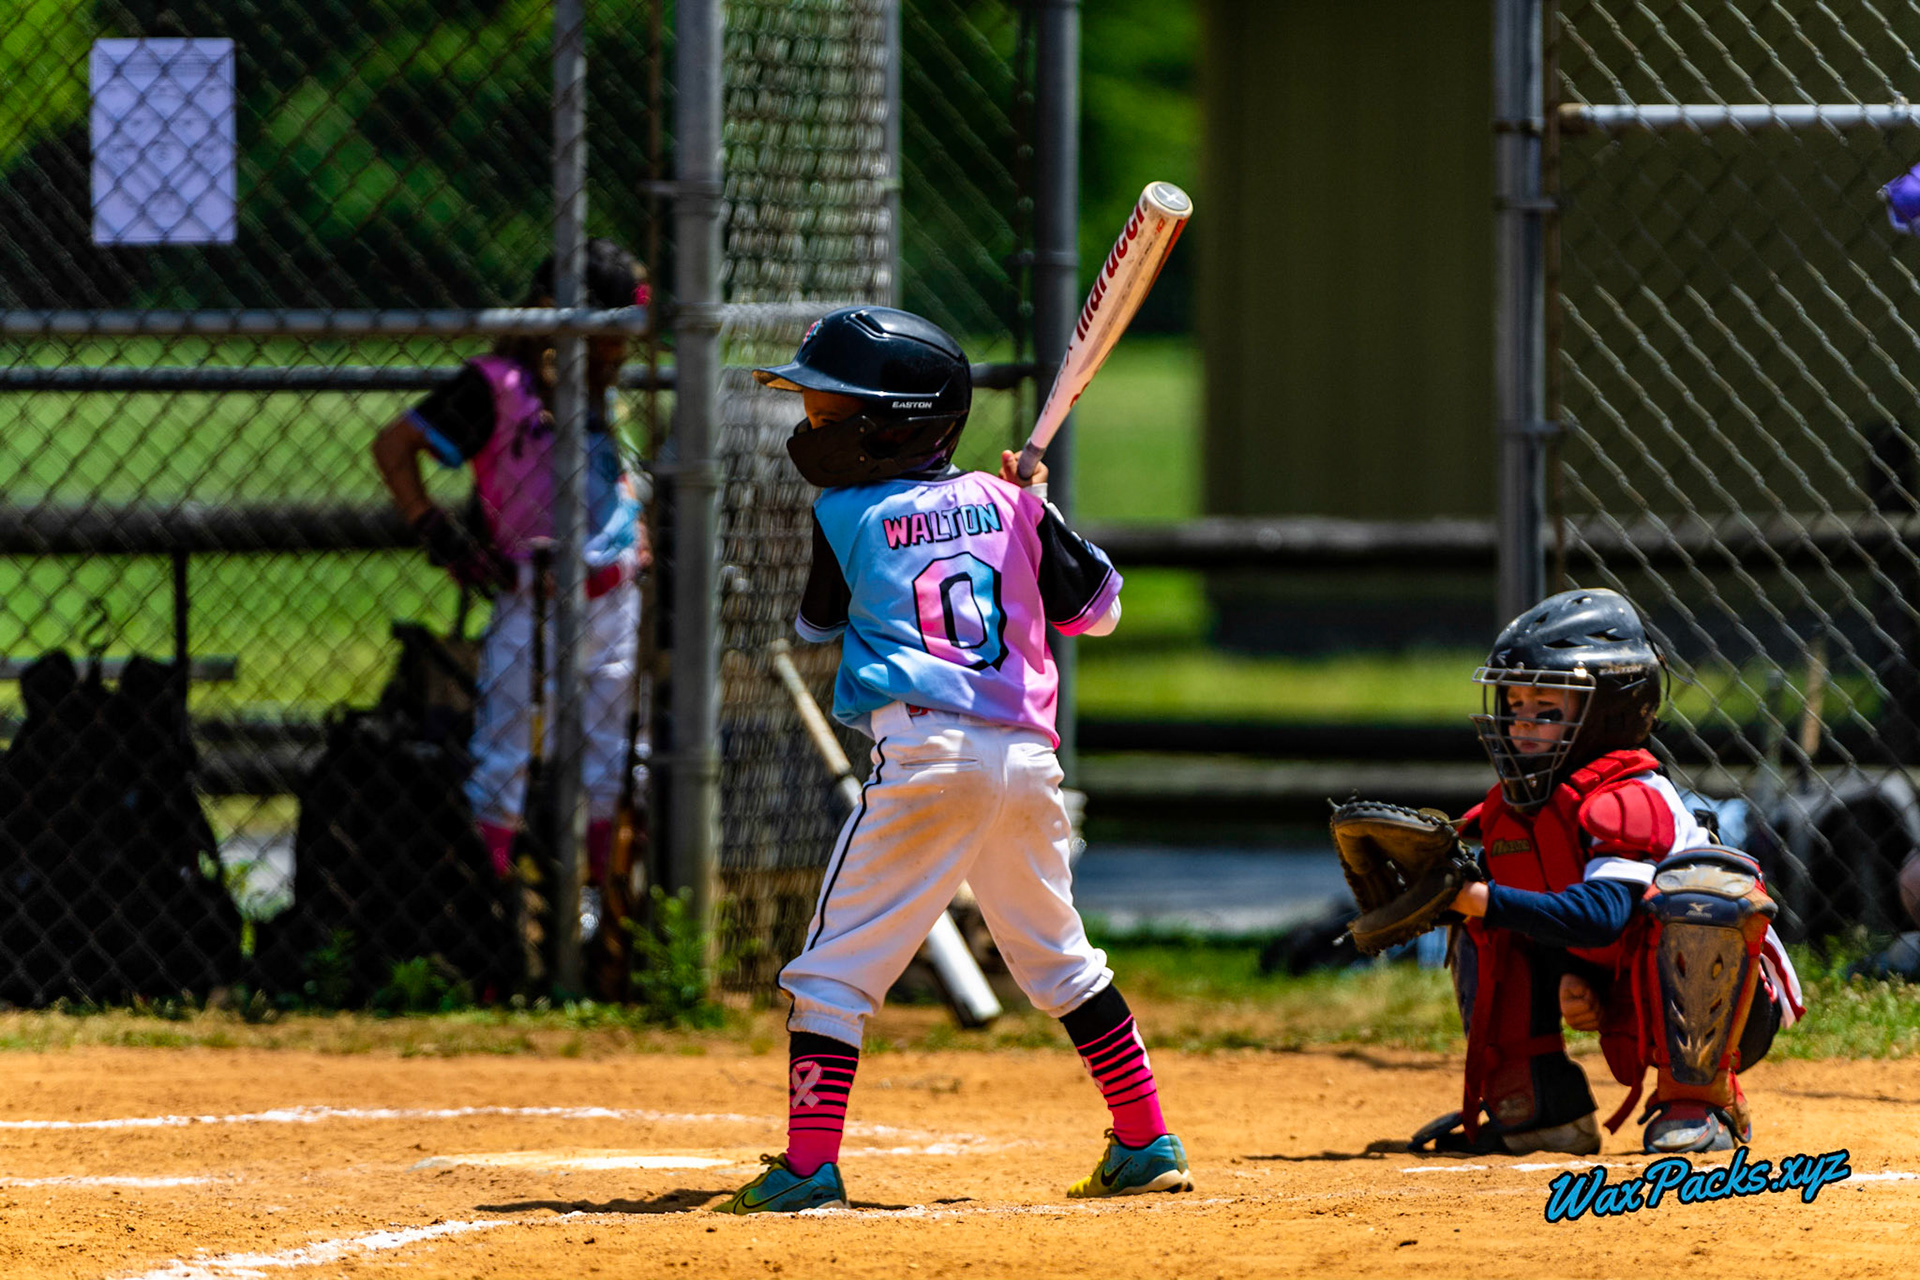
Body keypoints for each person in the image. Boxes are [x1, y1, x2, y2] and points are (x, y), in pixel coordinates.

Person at [715, 305, 1192, 1213]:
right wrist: (1028, 512)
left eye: (830, 414)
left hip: (926, 757)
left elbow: (817, 625)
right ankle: (1144, 1139)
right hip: (1028, 764)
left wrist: (989, 516)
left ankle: (809, 1167)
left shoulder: (844, 511)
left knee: (831, 973)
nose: (812, 430)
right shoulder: (1014, 506)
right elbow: (1099, 612)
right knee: (1061, 960)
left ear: (894, 426)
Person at [1414, 587, 1804, 1156]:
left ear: (1608, 712)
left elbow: (1603, 915)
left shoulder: (1632, 796)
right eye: (1515, 705)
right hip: (1619, 976)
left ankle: (1700, 1100)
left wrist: (1474, 897)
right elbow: (1547, 921)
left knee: (1698, 900)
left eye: (1546, 709)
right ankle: (1539, 1108)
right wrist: (1421, 891)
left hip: (1734, 1007)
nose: (1521, 725)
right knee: (1482, 922)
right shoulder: (1520, 808)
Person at [370, 238, 649, 889]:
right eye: (610, 328)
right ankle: (492, 910)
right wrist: (435, 529)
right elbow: (393, 447)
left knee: (611, 759)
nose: (622, 347)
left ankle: (599, 912)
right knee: (503, 758)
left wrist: (634, 522)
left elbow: (610, 473)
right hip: (532, 596)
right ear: (556, 312)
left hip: (613, 597)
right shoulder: (498, 385)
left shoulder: (597, 388)